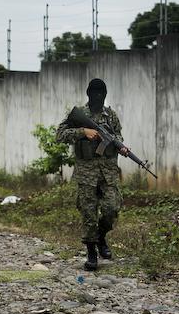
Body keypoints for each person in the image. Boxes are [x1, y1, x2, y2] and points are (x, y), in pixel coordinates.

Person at [55, 78, 129, 271]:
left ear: (105, 95)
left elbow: (118, 135)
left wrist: (120, 145)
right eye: (94, 93)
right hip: (86, 173)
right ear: (89, 94)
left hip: (108, 173)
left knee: (112, 208)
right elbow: (60, 135)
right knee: (88, 213)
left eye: (101, 94)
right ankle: (91, 253)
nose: (98, 97)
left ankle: (101, 237)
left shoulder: (110, 116)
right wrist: (82, 131)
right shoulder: (79, 114)